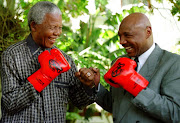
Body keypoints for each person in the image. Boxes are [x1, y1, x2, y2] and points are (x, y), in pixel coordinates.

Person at [0, 1, 96, 122]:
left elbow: (79, 102)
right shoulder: (11, 56)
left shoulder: (66, 60)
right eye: (53, 27)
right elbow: (10, 104)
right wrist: (41, 77)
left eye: (60, 27)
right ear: (34, 26)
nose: (58, 33)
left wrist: (88, 86)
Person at [76, 12, 180, 123]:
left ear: (148, 32)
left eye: (128, 35)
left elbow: (175, 113)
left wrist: (135, 86)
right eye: (120, 36)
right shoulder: (118, 62)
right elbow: (117, 106)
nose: (121, 42)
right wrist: (94, 85)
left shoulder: (173, 63)